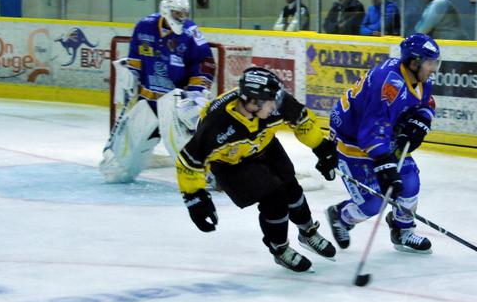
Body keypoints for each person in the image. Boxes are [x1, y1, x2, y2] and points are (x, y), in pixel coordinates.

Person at [176, 67, 339, 272]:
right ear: (252, 102)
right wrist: (195, 198)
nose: (276, 105)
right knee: (275, 200)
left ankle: (308, 232)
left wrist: (322, 148)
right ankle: (279, 249)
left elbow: (302, 121)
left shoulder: (274, 101)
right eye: (271, 102)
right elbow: (189, 161)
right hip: (230, 162)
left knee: (291, 186)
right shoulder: (216, 125)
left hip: (263, 143)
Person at [325, 33, 440, 253]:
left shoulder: (421, 77)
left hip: (382, 133)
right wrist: (384, 163)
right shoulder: (389, 84)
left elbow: (426, 102)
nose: (433, 68)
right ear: (414, 62)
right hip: (352, 139)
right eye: (429, 63)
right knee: (374, 203)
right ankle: (342, 216)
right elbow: (372, 127)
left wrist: (421, 120)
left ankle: (402, 230)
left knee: (409, 182)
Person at [99, 0, 216, 183]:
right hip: (148, 101)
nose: (181, 17)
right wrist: (130, 75)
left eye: (184, 14)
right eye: (178, 13)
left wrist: (197, 93)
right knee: (126, 155)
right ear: (166, 10)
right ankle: (121, 168)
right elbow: (135, 58)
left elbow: (205, 64)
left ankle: (209, 175)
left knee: (182, 144)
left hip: (174, 103)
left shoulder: (190, 33)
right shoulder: (144, 27)